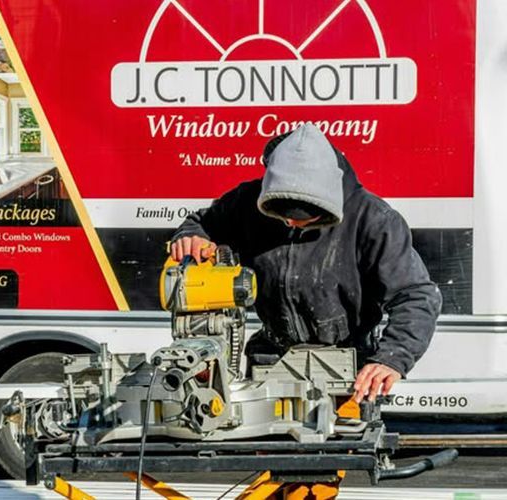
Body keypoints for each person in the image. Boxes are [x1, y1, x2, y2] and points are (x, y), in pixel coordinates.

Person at [170, 123, 441, 403]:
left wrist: (392, 358)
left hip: (349, 367)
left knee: (342, 441)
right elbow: (201, 224)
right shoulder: (246, 202)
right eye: (282, 216)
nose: (290, 223)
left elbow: (415, 295)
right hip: (271, 358)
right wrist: (192, 237)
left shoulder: (373, 219)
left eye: (302, 219)